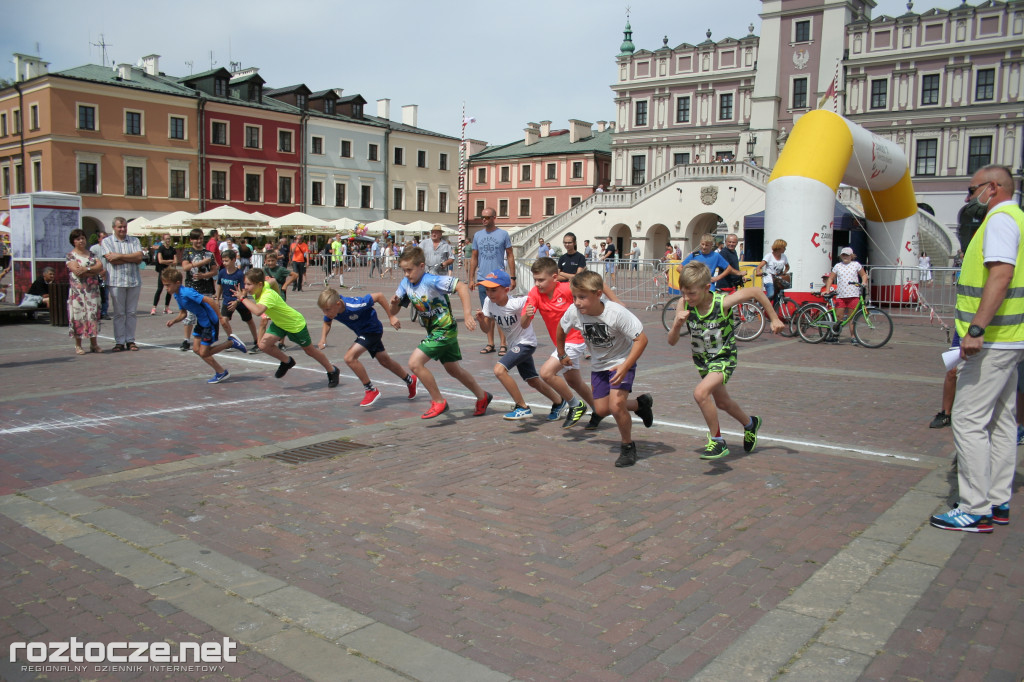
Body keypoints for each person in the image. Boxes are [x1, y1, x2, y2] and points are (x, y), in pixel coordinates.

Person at [930, 165, 1023, 533]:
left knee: (968, 420)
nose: (969, 198)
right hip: (1010, 338)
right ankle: (997, 499)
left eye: (972, 190)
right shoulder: (1016, 217)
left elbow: (1001, 274)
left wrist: (976, 329)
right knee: (1001, 421)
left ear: (994, 188)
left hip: (993, 339)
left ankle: (975, 506)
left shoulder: (999, 221)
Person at [668, 261, 784, 460]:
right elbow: (671, 341)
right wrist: (678, 324)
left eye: (692, 293)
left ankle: (717, 441)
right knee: (722, 402)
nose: (687, 298)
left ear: (706, 288)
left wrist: (774, 318)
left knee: (700, 393)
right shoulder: (684, 304)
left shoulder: (722, 302)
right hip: (703, 362)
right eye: (684, 293)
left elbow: (756, 292)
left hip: (724, 358)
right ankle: (750, 423)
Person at [556, 270, 654, 468]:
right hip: (599, 365)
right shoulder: (574, 312)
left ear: (598, 294)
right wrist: (561, 354)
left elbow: (641, 340)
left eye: (582, 297)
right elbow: (560, 330)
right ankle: (641, 405)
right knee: (602, 409)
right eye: (574, 297)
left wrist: (626, 366)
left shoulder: (616, 313)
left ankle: (627, 447)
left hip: (621, 360)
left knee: (616, 405)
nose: (577, 302)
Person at [389, 246, 492, 419]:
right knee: (454, 370)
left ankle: (438, 401)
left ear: (421, 266)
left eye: (409, 270)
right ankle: (483, 396)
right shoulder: (405, 283)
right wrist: (393, 303)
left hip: (445, 329)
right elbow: (395, 310)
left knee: (415, 363)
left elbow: (461, 286)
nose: (406, 274)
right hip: (433, 331)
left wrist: (466, 314)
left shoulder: (431, 280)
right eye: (403, 270)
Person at [476, 270, 563, 420]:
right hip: (514, 345)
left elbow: (536, 298)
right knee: (532, 380)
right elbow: (485, 330)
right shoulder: (488, 303)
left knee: (499, 370)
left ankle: (522, 407)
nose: (489, 293)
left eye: (494, 290)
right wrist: (481, 320)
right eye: (487, 290)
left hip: (526, 343)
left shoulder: (517, 302)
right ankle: (559, 402)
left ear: (506, 290)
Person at [233, 268, 340, 387]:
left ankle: (332, 370)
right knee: (263, 345)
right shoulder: (264, 286)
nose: (246, 287)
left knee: (310, 351)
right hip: (279, 323)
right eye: (245, 284)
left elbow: (258, 311)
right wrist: (279, 297)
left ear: (259, 284)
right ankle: (287, 362)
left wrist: (242, 299)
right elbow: (272, 281)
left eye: (249, 284)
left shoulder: (267, 295)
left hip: (294, 324)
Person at [317, 287, 418, 407]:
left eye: (327, 310)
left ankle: (370, 390)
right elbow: (327, 322)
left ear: (338, 304)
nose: (326, 313)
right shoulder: (333, 310)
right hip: (363, 333)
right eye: (323, 310)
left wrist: (391, 317)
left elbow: (379, 295)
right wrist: (323, 338)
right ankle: (410, 381)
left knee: (349, 358)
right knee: (385, 361)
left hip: (372, 330)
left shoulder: (355, 304)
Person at [162, 266, 248, 383]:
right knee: (197, 350)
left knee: (204, 352)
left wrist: (220, 317)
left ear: (177, 283)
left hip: (209, 322)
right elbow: (183, 313)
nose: (166, 288)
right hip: (201, 322)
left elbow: (210, 300)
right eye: (165, 285)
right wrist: (174, 321)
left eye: (168, 285)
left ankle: (231, 343)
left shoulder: (187, 292)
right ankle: (221, 372)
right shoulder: (177, 295)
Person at [469, 207, 516, 355]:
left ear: (494, 218)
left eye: (487, 217)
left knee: (501, 312)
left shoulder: (503, 234)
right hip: (483, 279)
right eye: (482, 217)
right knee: (487, 313)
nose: (484, 220)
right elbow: (474, 257)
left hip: (499, 279)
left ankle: (503, 344)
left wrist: (512, 277)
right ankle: (490, 343)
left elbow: (510, 255)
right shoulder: (477, 235)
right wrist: (471, 278)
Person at [101, 216, 145, 352]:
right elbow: (111, 260)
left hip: (133, 280)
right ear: (114, 228)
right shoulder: (107, 241)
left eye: (124, 227)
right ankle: (119, 341)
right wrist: (131, 258)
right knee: (119, 313)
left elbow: (139, 257)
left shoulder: (134, 240)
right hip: (116, 281)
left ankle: (130, 340)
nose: (122, 229)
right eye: (120, 227)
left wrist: (119, 256)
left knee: (131, 312)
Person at [65, 229, 103, 354]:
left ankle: (94, 344)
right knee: (78, 316)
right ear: (73, 242)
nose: (81, 241)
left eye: (83, 238)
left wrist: (86, 268)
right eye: (78, 239)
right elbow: (76, 271)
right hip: (78, 293)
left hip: (92, 291)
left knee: (93, 315)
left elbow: (99, 267)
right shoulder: (71, 255)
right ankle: (78, 345)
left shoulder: (92, 254)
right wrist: (91, 270)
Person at [180, 228, 218, 352]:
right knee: (190, 315)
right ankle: (186, 340)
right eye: (196, 238)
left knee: (207, 313)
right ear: (191, 239)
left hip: (206, 287)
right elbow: (185, 267)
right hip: (192, 287)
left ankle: (205, 339)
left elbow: (214, 270)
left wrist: (204, 276)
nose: (198, 241)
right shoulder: (188, 252)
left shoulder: (208, 253)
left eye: (201, 238)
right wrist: (200, 263)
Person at [216, 250, 259, 353]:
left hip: (241, 301)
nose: (224, 263)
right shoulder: (222, 272)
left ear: (234, 260)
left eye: (226, 260)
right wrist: (217, 299)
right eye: (223, 261)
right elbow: (220, 285)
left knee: (249, 320)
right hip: (227, 301)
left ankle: (256, 341)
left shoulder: (239, 274)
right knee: (224, 320)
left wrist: (237, 301)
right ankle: (232, 340)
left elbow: (244, 291)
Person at [825, 246, 870, 343]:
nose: (845, 257)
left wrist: (864, 282)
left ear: (852, 256)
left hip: (853, 295)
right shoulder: (837, 266)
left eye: (847, 255)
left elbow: (864, 275)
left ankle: (853, 337)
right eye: (843, 255)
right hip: (841, 295)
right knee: (839, 317)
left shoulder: (856, 265)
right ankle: (835, 336)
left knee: (852, 318)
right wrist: (827, 289)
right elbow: (831, 278)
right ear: (841, 256)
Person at [755, 238, 790, 303]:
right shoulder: (769, 256)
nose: (785, 249)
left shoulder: (784, 256)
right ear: (779, 247)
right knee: (771, 294)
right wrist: (758, 272)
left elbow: (787, 267)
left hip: (778, 280)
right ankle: (759, 304)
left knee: (778, 298)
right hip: (769, 279)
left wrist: (783, 273)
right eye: (784, 247)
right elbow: (759, 267)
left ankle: (774, 312)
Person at [151, 233, 177, 315]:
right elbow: (160, 261)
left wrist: (169, 262)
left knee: (169, 290)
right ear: (163, 239)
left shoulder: (172, 249)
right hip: (162, 271)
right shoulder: (161, 248)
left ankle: (166, 307)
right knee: (160, 289)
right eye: (167, 239)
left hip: (169, 271)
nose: (168, 240)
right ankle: (154, 307)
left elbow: (176, 261)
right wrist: (170, 261)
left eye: (169, 239)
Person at [89, 230, 110, 319]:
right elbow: (91, 261)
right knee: (96, 294)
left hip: (107, 275)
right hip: (97, 275)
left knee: (105, 295)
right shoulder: (94, 248)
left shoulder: (110, 248)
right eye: (103, 238)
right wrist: (99, 270)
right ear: (99, 239)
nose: (105, 239)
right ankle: (95, 312)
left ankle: (104, 312)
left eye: (106, 238)